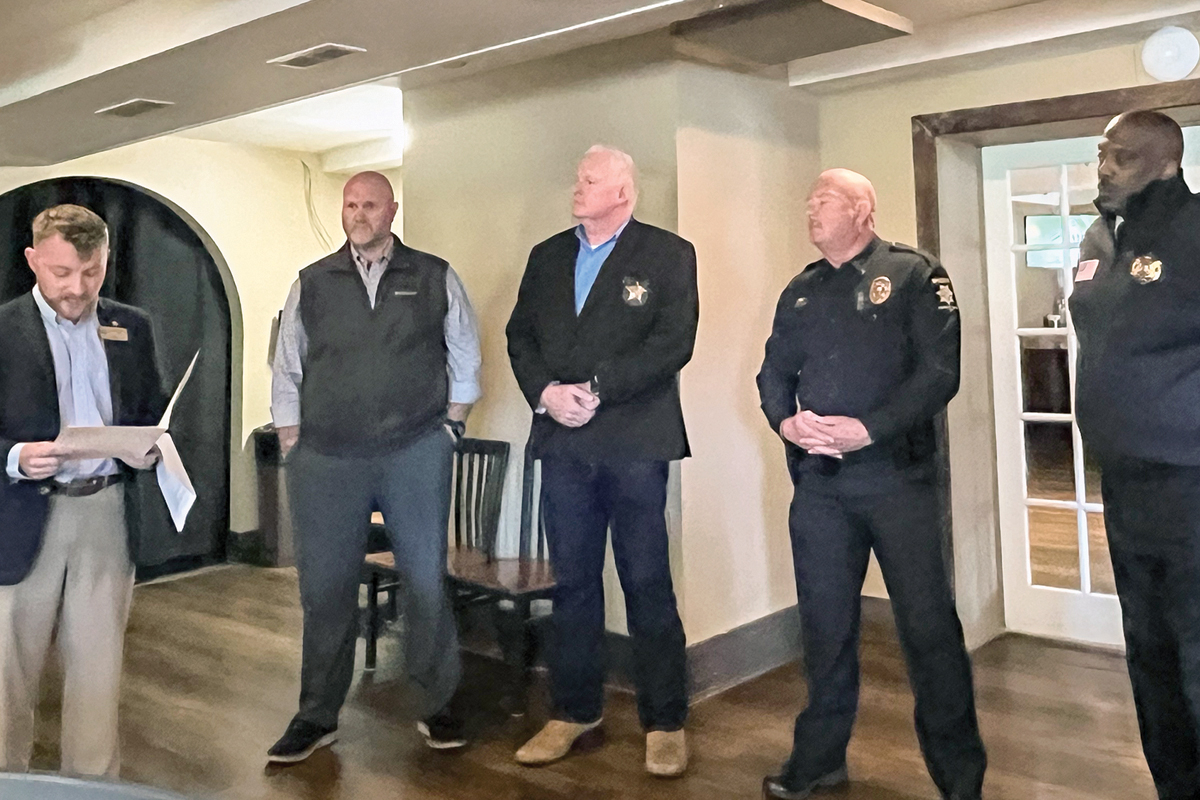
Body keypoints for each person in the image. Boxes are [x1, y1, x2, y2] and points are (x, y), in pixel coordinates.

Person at [756, 169, 986, 800]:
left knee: (928, 630)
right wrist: (787, 421)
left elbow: (940, 374)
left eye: (824, 200)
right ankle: (820, 759)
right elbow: (772, 372)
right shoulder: (800, 290)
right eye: (809, 200)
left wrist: (870, 428)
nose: (810, 208)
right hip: (822, 489)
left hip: (899, 482)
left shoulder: (915, 275)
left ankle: (961, 779)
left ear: (862, 210)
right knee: (825, 627)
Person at [267, 171, 481, 762]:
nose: (359, 215)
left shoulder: (433, 275)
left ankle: (437, 705)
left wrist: (450, 426)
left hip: (413, 449)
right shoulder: (312, 282)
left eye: (371, 205)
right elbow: (288, 367)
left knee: (424, 582)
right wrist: (292, 442)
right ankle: (316, 716)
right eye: (351, 205)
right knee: (325, 589)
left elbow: (464, 350)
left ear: (393, 210)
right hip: (328, 457)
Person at [506, 145, 698, 777]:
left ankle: (666, 719)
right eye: (579, 177)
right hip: (563, 445)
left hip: (636, 444)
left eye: (589, 180)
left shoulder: (669, 254)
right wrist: (544, 393)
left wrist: (597, 389)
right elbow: (519, 336)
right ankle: (574, 709)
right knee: (572, 583)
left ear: (623, 193)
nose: (577, 187)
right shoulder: (547, 256)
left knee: (646, 580)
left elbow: (675, 342)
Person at [0, 204, 167, 777]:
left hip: (106, 512)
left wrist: (152, 447)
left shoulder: (131, 325)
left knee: (99, 671)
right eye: (61, 273)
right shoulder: (2, 329)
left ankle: (93, 788)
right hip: (19, 517)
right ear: (32, 262)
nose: (77, 288)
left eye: (91, 272)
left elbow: (151, 412)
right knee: (6, 676)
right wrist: (15, 456)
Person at [1070, 110, 1200, 800]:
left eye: (1122, 156)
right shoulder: (1097, 237)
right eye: (1102, 154)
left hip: (1191, 483)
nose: (1106, 167)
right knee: (1147, 650)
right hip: (1123, 481)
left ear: (1168, 162)